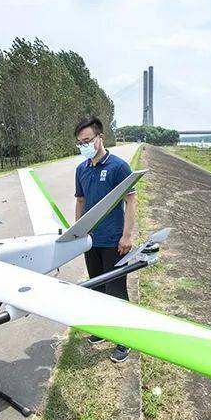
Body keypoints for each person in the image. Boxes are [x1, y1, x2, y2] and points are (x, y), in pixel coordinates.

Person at [74, 116, 137, 363]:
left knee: (116, 290)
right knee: (96, 287)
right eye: (80, 143)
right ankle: (102, 330)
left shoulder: (118, 167)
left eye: (87, 140)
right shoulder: (81, 169)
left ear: (100, 137)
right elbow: (80, 201)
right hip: (91, 241)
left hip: (114, 241)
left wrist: (127, 235)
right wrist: (77, 231)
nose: (84, 146)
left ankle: (125, 340)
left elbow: (131, 200)